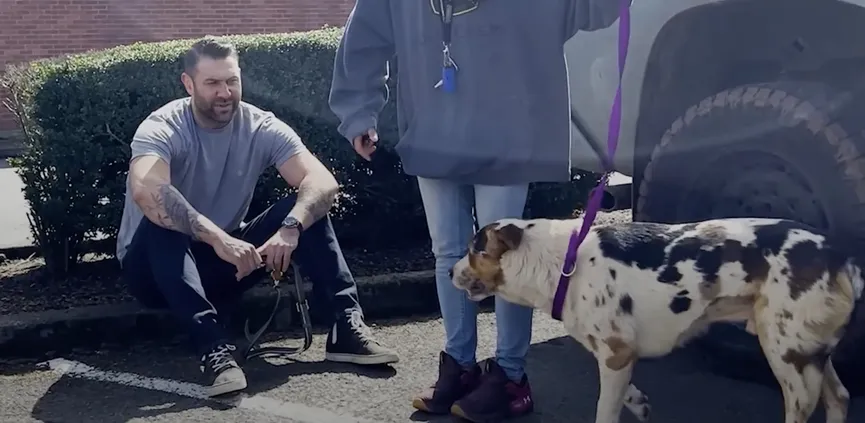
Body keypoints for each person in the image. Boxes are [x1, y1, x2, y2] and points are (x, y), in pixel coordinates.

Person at [329, 0, 625, 420]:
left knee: (505, 259)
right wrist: (358, 113)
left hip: (508, 135)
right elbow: (363, 39)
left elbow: (595, 8)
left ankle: (509, 377)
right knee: (448, 253)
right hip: (434, 133)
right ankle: (459, 366)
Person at [116, 37, 399, 398]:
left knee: (304, 209)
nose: (224, 93)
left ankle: (346, 325)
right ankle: (214, 349)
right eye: (212, 83)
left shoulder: (259, 125)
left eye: (231, 81)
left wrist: (291, 227)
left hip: (224, 262)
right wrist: (219, 238)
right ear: (188, 84)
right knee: (166, 214)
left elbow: (322, 182)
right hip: (154, 271)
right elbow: (148, 190)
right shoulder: (163, 126)